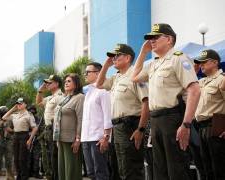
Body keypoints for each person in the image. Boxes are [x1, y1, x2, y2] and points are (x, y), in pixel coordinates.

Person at [132, 23, 200, 180]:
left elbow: (194, 90)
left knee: (176, 168)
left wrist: (186, 124)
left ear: (169, 39)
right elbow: (134, 77)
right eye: (150, 38)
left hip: (173, 119)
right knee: (159, 169)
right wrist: (143, 51)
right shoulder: (154, 63)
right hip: (156, 120)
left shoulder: (178, 58)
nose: (152, 41)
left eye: (156, 37)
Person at [96, 43, 149, 180]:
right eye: (113, 57)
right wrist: (106, 65)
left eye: (117, 55)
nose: (114, 58)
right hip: (118, 127)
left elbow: (146, 102)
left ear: (128, 58)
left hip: (131, 125)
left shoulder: (135, 75)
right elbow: (99, 84)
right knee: (122, 169)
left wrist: (141, 129)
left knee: (132, 169)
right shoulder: (117, 77)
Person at [194, 49, 225, 180]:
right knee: (206, 167)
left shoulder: (222, 80)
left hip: (217, 124)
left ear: (215, 62)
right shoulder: (201, 82)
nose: (201, 65)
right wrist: (193, 71)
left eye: (204, 62)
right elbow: (185, 88)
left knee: (219, 167)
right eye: (199, 63)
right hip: (201, 127)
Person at [81, 62, 112, 180]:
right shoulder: (87, 92)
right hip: (86, 138)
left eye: (88, 72)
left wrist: (106, 137)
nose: (85, 74)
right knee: (90, 173)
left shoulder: (103, 90)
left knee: (101, 172)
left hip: (98, 139)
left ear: (98, 73)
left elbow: (107, 116)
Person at [54, 73, 84, 180]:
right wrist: (57, 138)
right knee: (62, 169)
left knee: (72, 169)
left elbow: (80, 119)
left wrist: (78, 138)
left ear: (76, 84)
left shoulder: (79, 97)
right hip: (61, 138)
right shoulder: (64, 99)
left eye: (69, 81)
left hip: (71, 139)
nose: (66, 83)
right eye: (65, 81)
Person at [3, 98, 38, 180]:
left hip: (24, 135)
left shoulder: (29, 115)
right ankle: (19, 176)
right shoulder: (15, 114)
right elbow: (4, 117)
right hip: (15, 136)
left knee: (22, 159)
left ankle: (24, 177)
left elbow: (35, 128)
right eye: (17, 103)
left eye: (21, 103)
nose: (19, 105)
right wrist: (13, 108)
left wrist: (30, 139)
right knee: (16, 159)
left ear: (25, 105)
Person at [36, 74, 63, 180]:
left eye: (49, 83)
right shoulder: (50, 97)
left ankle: (56, 176)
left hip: (54, 128)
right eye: (46, 83)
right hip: (48, 129)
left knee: (54, 156)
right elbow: (38, 102)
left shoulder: (60, 96)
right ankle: (51, 176)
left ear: (56, 83)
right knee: (49, 156)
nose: (46, 85)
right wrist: (40, 90)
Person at [0, 106, 14, 180]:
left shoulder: (11, 120)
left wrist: (11, 130)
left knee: (9, 160)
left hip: (8, 141)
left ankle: (10, 176)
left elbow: (16, 130)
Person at [27, 105, 43, 179]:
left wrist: (38, 136)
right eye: (30, 111)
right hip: (28, 140)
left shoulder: (39, 119)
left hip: (36, 141)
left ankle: (36, 172)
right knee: (28, 157)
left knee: (36, 157)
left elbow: (42, 129)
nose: (32, 113)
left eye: (33, 111)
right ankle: (29, 172)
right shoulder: (26, 118)